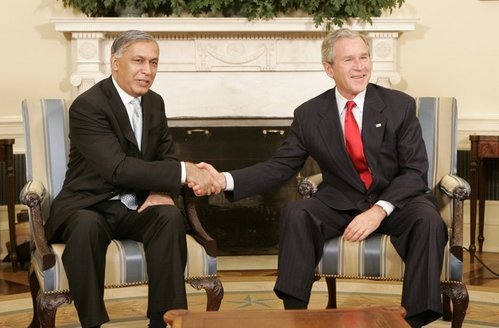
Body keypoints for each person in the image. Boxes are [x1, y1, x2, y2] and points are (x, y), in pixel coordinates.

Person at [195, 28, 448, 327]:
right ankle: (295, 314)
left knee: (428, 220)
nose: (360, 67)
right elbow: (281, 165)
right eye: (349, 60)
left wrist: (379, 210)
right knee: (297, 212)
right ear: (329, 68)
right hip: (339, 201)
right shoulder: (309, 114)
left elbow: (415, 171)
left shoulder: (399, 105)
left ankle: (415, 320)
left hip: (396, 200)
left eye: (364, 58)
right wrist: (225, 180)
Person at [47, 30, 220, 328]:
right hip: (89, 204)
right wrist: (185, 171)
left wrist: (159, 190)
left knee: (169, 217)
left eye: (153, 62)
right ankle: (93, 323)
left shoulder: (155, 103)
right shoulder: (89, 105)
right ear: (115, 63)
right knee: (87, 226)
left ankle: (164, 320)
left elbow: (165, 155)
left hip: (135, 205)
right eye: (138, 61)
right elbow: (117, 168)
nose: (147, 70)